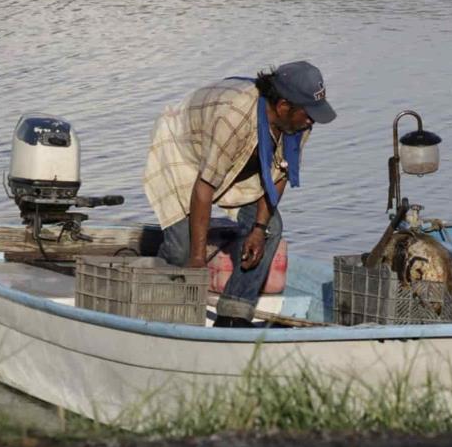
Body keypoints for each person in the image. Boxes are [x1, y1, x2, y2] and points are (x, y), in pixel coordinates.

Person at [143, 61, 336, 327]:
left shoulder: (298, 124)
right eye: (308, 113)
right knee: (181, 250)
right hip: (185, 149)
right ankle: (155, 310)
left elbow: (280, 174)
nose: (311, 120)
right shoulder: (232, 115)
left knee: (271, 229)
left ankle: (233, 315)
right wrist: (197, 259)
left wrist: (258, 229)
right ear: (283, 106)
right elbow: (204, 187)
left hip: (241, 158)